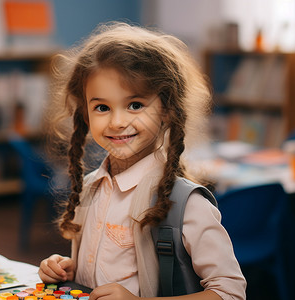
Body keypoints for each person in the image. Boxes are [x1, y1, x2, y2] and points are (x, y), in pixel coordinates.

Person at [38, 22, 246, 300]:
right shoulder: (89, 188)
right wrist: (66, 269)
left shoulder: (186, 205)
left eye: (135, 105)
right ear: (85, 114)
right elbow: (103, 271)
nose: (117, 121)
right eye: (102, 107)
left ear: (167, 110)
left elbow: (231, 292)